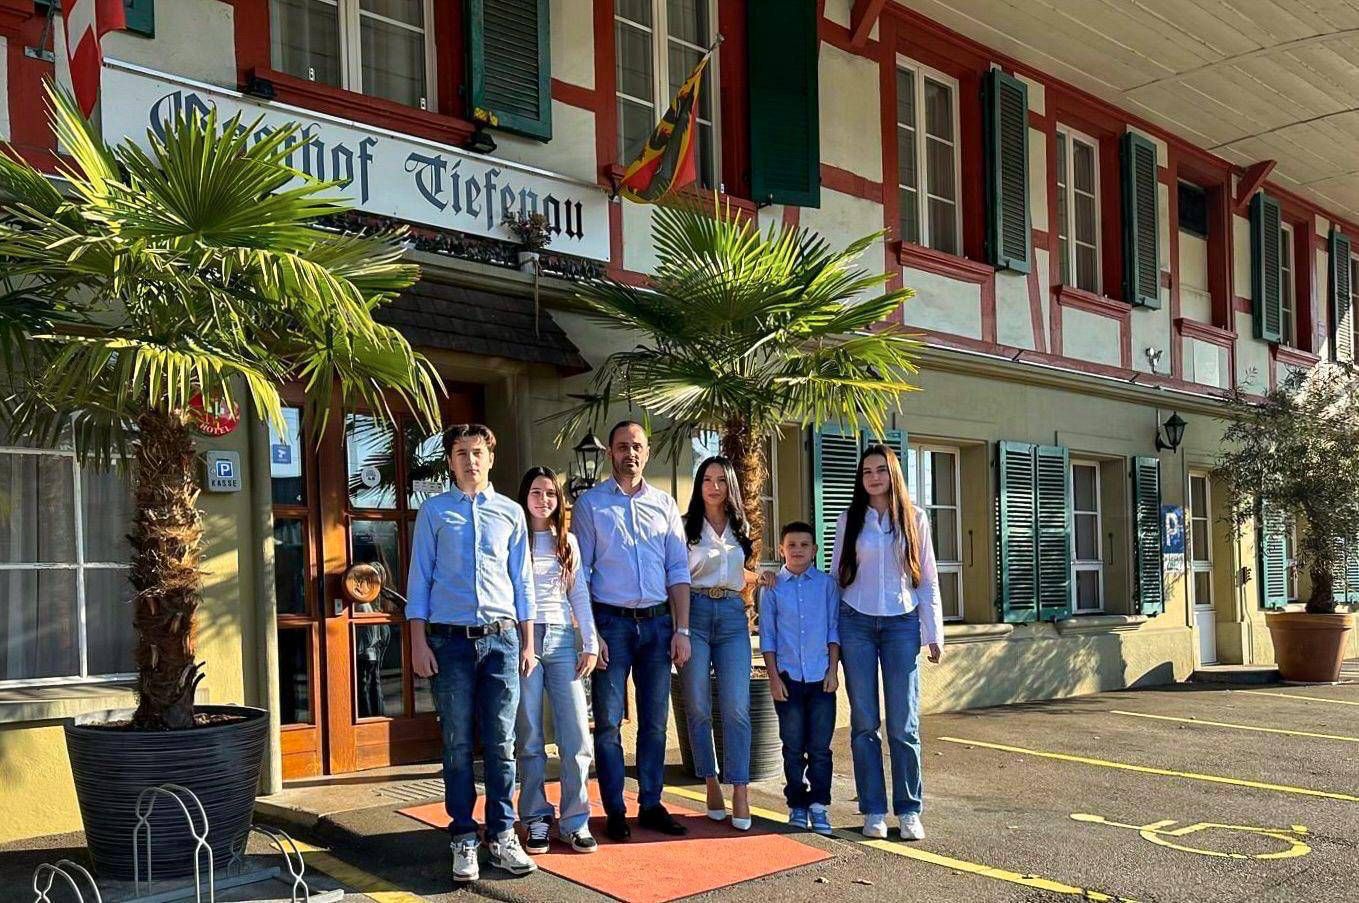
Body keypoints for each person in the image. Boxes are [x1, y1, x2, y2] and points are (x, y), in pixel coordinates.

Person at [407, 424, 538, 883]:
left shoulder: (511, 513)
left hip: (502, 640)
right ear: (450, 460)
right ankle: (463, 837)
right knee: (458, 744)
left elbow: (523, 581)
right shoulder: (434, 512)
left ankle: (502, 835)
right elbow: (419, 578)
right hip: (449, 642)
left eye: (477, 451)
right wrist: (418, 640)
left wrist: (528, 642)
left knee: (502, 745)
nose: (470, 460)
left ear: (490, 457)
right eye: (460, 452)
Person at [572, 421, 693, 841]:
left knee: (655, 722)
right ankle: (614, 810)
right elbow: (579, 576)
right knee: (607, 724)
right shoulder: (590, 505)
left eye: (637, 446)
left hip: (659, 626)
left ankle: (652, 803)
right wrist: (592, 634)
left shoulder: (664, 505)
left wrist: (683, 629)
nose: (631, 453)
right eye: (622, 446)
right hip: (612, 626)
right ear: (610, 452)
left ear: (648, 451)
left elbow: (678, 570)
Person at [832, 443, 944, 842]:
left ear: (893, 474)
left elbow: (927, 579)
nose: (873, 477)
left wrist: (933, 634)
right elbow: (835, 579)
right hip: (855, 623)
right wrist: (832, 640)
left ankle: (910, 809)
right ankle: (874, 809)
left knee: (904, 724)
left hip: (901, 626)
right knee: (864, 723)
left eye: (880, 470)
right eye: (867, 472)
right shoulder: (849, 519)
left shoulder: (915, 518)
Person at [515, 466, 600, 854]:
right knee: (530, 734)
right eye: (536, 492)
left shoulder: (568, 542)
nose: (543, 499)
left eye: (550, 493)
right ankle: (534, 817)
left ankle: (574, 819)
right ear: (525, 496)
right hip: (525, 641)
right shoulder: (515, 539)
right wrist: (522, 642)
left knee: (577, 733)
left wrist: (591, 642)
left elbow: (579, 593)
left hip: (564, 640)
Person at [680, 455, 756, 830]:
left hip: (730, 616)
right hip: (693, 613)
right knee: (696, 704)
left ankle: (740, 788)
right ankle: (710, 780)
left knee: (736, 707)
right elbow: (675, 578)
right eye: (707, 479)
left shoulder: (742, 528)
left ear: (730, 487)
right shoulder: (685, 527)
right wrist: (678, 628)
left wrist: (764, 578)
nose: (713, 486)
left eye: (721, 480)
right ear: (699, 485)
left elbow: (741, 572)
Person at [758, 521, 840, 836]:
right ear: (781, 549)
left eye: (804, 545)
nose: (798, 550)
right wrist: (774, 679)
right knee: (792, 746)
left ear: (814, 550)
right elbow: (769, 637)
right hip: (788, 679)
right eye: (791, 545)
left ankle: (819, 806)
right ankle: (797, 805)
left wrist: (833, 670)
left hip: (821, 679)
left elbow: (834, 630)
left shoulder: (826, 585)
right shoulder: (773, 587)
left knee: (819, 748)